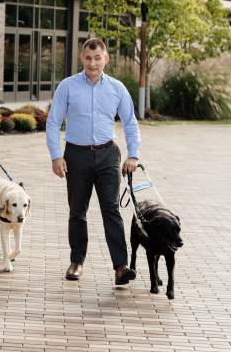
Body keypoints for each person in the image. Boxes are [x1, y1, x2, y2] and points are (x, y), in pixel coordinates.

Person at [46, 37, 141, 285]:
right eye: (88, 58)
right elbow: (54, 122)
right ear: (82, 59)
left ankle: (121, 266)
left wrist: (133, 155)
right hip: (76, 155)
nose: (93, 63)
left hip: (108, 154)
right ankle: (76, 262)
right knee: (78, 211)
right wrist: (56, 156)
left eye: (98, 58)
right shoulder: (67, 87)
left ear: (106, 59)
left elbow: (130, 122)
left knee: (111, 210)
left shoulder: (117, 88)